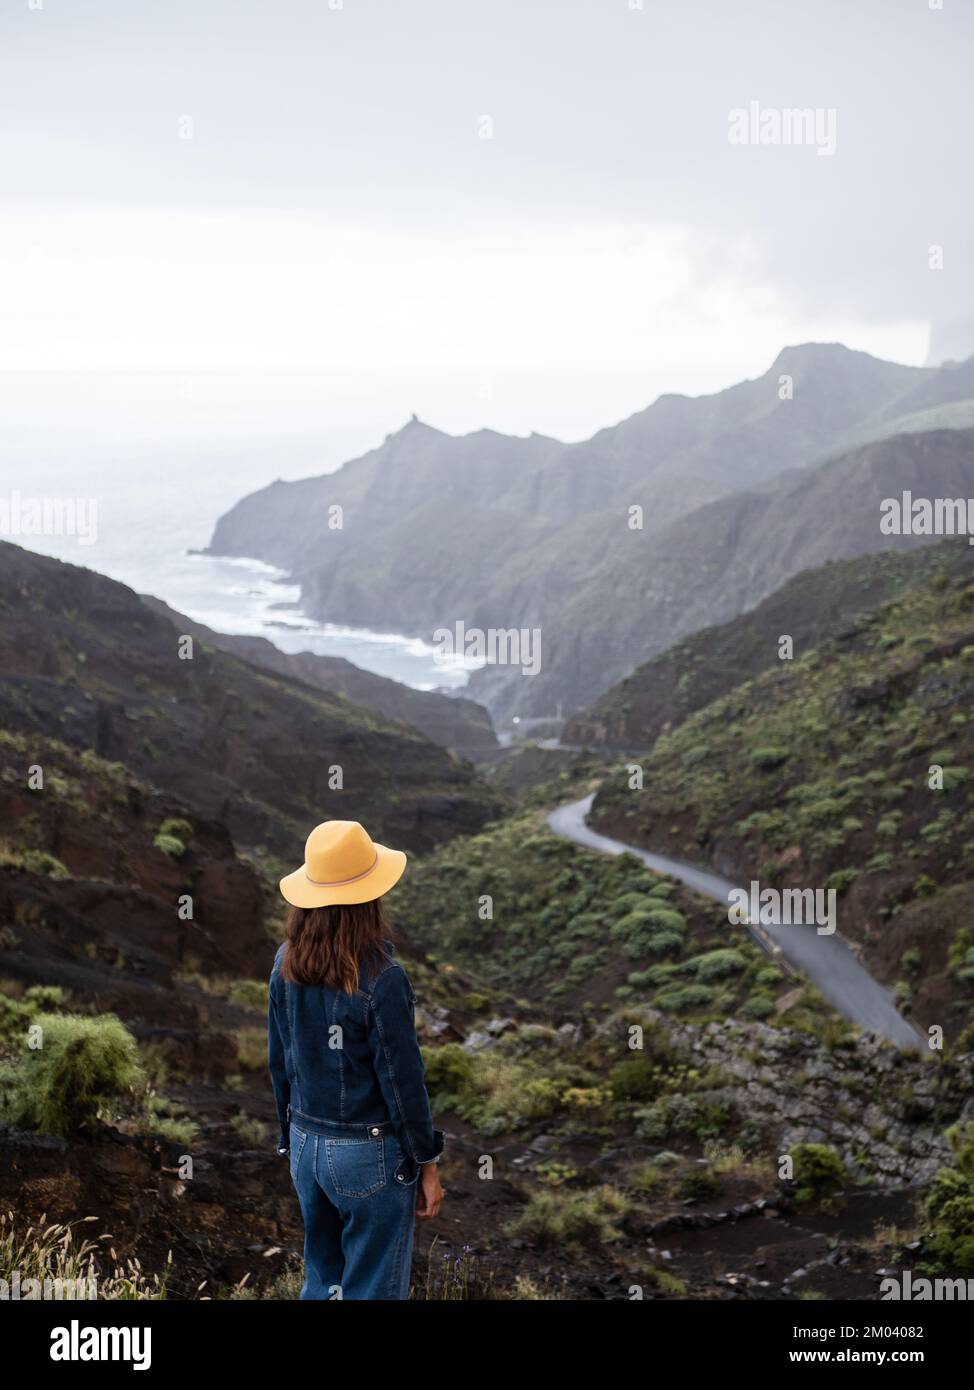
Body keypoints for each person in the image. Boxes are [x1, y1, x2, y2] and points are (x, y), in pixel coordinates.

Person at [268, 818, 444, 1300]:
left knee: (323, 1283)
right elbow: (403, 1083)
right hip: (367, 1155)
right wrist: (427, 1162)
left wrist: (289, 1139)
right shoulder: (383, 978)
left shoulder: (285, 962)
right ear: (369, 897)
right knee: (374, 1289)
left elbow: (280, 1063)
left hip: (306, 1146)